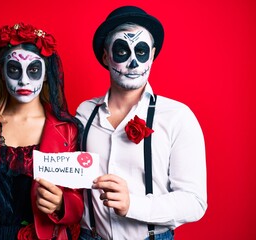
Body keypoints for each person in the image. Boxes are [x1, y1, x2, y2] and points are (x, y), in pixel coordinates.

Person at [76, 6, 207, 240]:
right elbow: (72, 181)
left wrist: (133, 205)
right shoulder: (84, 113)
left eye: (142, 52)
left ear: (153, 54)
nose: (134, 63)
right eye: (122, 51)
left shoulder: (177, 116)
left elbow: (194, 201)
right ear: (106, 56)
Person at [0, 22, 84, 240]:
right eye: (14, 69)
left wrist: (61, 204)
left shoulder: (68, 131)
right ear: (1, 72)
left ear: (47, 74)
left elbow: (82, 203)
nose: (24, 80)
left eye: (34, 70)